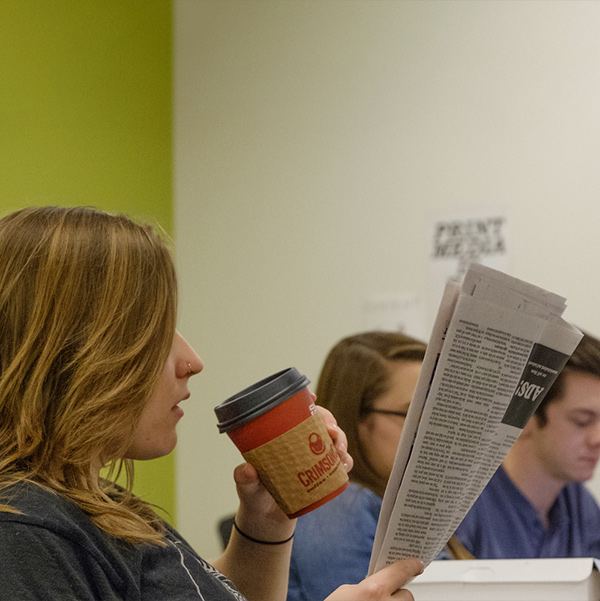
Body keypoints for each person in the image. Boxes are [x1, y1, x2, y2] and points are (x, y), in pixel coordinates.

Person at [0, 206, 424, 601]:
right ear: (68, 351)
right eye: (155, 333)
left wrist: (267, 522)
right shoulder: (22, 534)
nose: (192, 361)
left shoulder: (92, 502)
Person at [287, 332, 472, 601]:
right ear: (357, 418)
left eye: (440, 415)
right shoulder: (341, 507)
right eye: (413, 415)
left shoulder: (394, 501)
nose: (437, 433)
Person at [455, 330, 600, 559]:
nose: (597, 438)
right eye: (582, 421)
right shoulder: (462, 508)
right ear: (524, 416)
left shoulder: (581, 507)